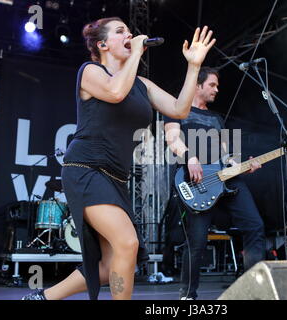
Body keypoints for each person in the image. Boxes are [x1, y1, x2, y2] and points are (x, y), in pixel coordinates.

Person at [22, 17, 215, 300]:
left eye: (130, 31)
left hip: (116, 177)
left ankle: (42, 298)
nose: (130, 34)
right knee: (128, 242)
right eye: (120, 31)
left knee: (111, 264)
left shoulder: (142, 85)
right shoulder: (90, 72)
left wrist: (194, 66)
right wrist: (136, 52)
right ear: (102, 44)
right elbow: (115, 92)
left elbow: (179, 109)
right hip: (86, 169)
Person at [164, 67, 266, 300]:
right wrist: (189, 156)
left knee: (254, 226)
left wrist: (242, 165)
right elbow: (172, 138)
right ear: (198, 85)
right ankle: (188, 296)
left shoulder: (217, 118)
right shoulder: (177, 110)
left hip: (227, 180)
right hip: (196, 181)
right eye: (212, 85)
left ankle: (255, 290)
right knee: (197, 242)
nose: (217, 90)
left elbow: (225, 155)